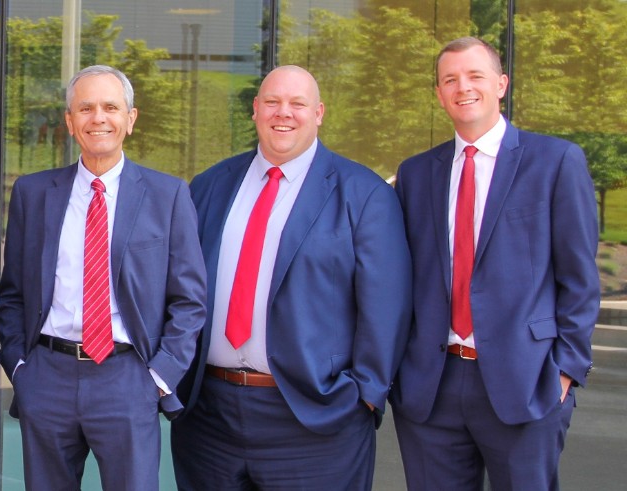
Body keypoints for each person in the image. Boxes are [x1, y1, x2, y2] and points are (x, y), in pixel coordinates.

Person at [171, 65, 412, 490]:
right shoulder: (210, 185)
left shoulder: (364, 193)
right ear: (255, 110)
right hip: (209, 417)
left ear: (318, 113)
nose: (284, 113)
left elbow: (386, 308)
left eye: (297, 103)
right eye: (273, 102)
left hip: (314, 419)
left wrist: (364, 397)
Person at [390, 37, 599, 490]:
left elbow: (580, 279)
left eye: (475, 75)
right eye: (450, 79)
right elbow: (402, 278)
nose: (462, 87)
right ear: (440, 94)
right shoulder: (415, 173)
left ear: (501, 84)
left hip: (526, 380)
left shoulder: (556, 161)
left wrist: (565, 370)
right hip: (431, 387)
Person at [0, 64, 207, 490]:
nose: (99, 118)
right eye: (86, 108)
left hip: (128, 378)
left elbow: (189, 300)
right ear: (70, 121)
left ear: (130, 119)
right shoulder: (34, 194)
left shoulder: (167, 195)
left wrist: (159, 377)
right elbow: (12, 292)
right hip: (47, 376)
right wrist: (20, 366)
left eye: (111, 107)